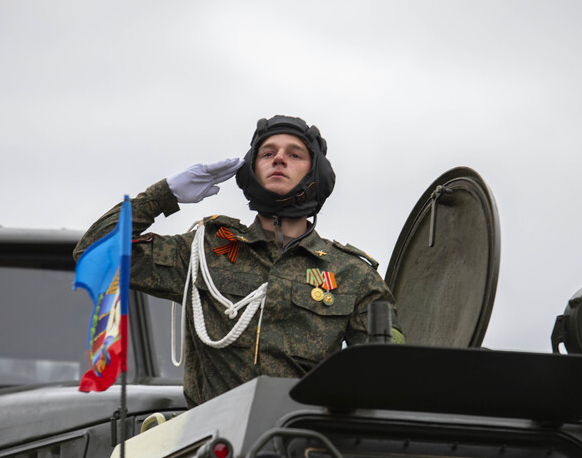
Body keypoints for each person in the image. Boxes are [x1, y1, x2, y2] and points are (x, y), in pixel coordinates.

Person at [74, 115, 403, 408]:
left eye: (294, 154)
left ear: (314, 172)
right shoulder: (205, 250)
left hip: (305, 438)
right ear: (252, 169)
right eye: (267, 153)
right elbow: (94, 253)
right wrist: (165, 195)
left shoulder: (352, 275)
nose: (279, 159)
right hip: (215, 438)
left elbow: (388, 376)